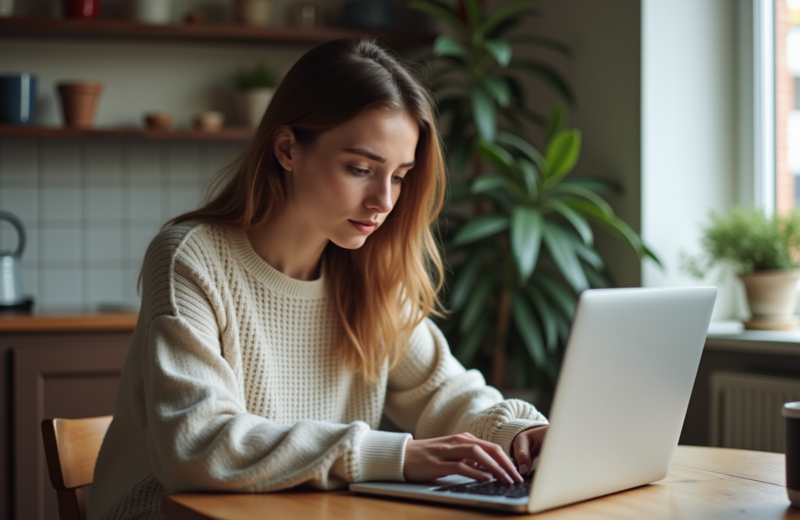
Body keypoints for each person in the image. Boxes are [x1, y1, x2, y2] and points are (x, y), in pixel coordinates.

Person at [88, 37, 548, 520]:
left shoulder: (368, 271)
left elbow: (443, 393)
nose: (383, 201)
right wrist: (393, 456)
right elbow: (196, 444)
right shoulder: (193, 258)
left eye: (398, 176)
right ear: (287, 149)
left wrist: (518, 434)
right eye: (360, 168)